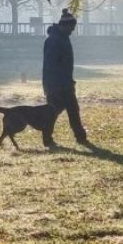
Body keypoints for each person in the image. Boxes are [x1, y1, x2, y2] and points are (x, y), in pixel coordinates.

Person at [42, 10, 91, 146]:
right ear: (65, 25)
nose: (73, 30)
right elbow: (51, 65)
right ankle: (47, 138)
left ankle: (80, 136)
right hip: (57, 85)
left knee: (72, 110)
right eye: (71, 27)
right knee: (54, 113)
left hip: (65, 83)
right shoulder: (54, 40)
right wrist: (53, 86)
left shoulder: (62, 38)